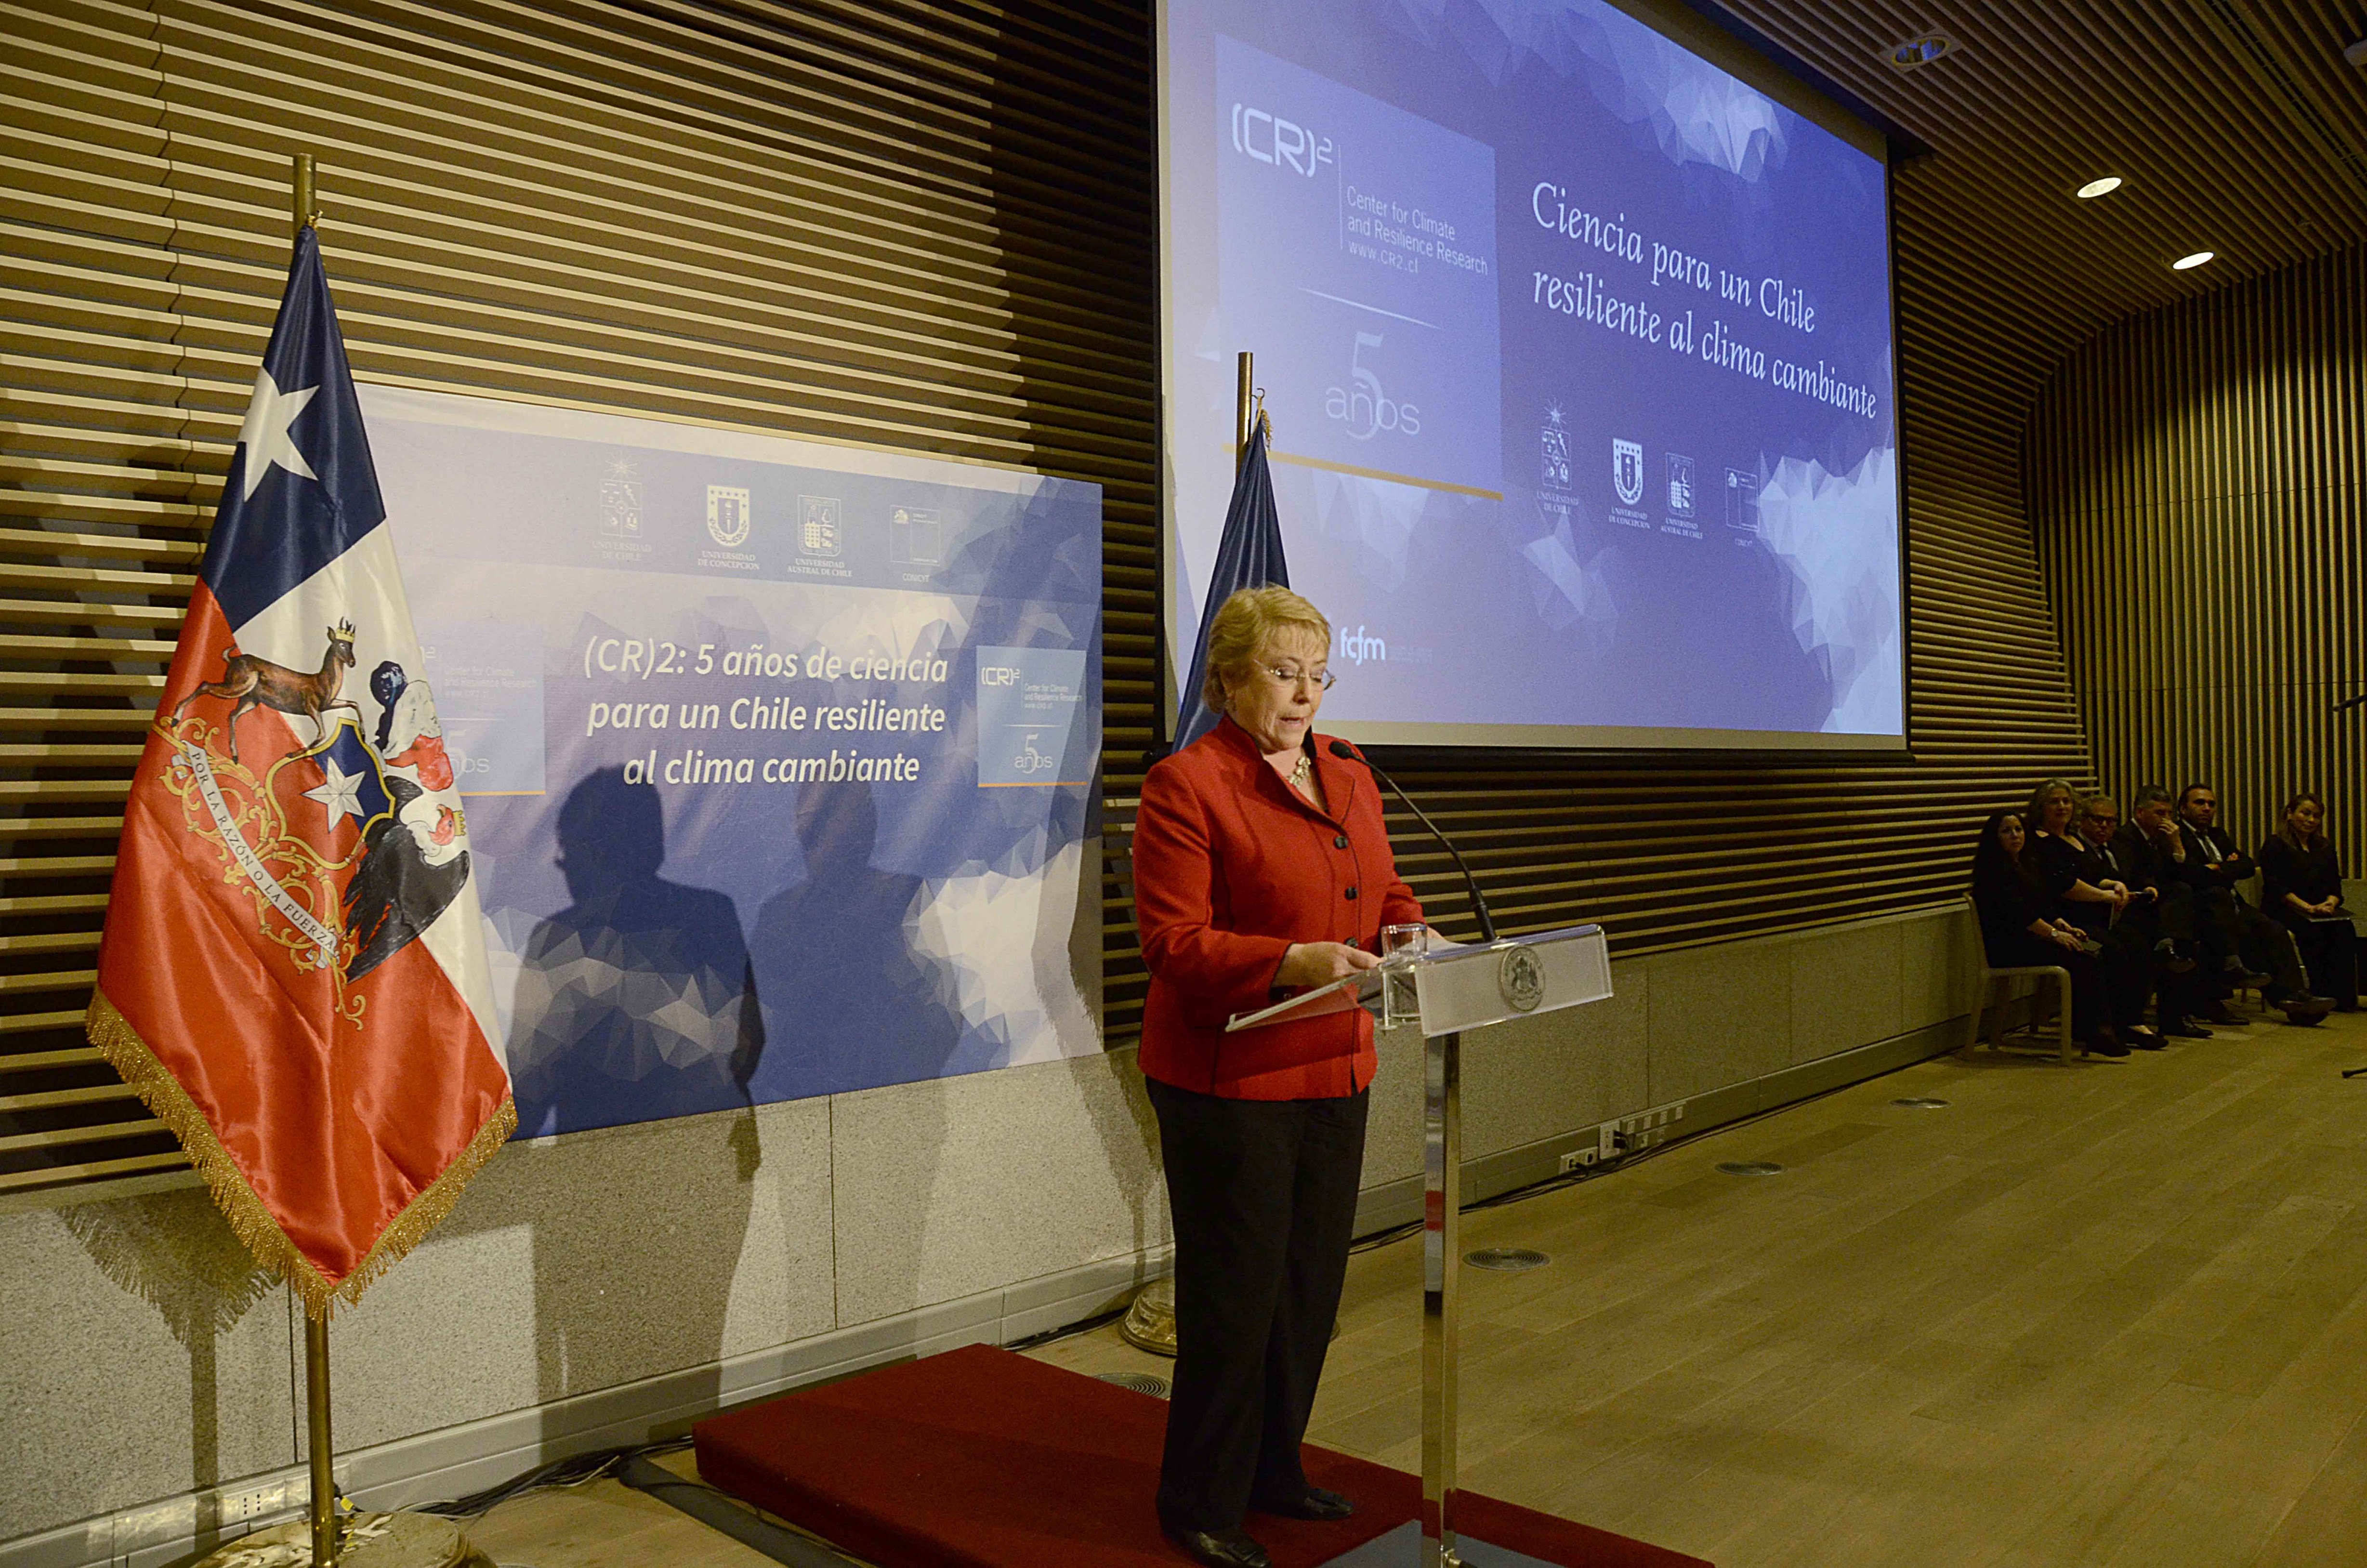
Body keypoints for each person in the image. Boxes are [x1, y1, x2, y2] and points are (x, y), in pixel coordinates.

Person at [1129, 586, 1423, 1568]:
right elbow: (1172, 942)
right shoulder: (1187, 784)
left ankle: (1272, 1468)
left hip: (1336, 1060)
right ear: (1227, 680)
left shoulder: (1348, 771)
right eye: (1282, 672)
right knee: (1235, 1298)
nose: (1305, 694)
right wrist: (1290, 960)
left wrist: (1410, 930)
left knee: (1306, 1289)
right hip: (1231, 1078)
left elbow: (1382, 887)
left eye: (1317, 675)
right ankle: (1200, 1501)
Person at [1969, 810, 2126, 1057]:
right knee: (2083, 958)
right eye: (2007, 831)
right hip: (2010, 946)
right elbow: (2019, 914)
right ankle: (2093, 1032)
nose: (2015, 836)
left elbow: (2041, 906)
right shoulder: (1994, 873)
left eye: (2019, 830)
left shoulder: (2027, 864)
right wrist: (2055, 935)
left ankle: (2096, 1029)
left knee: (2094, 949)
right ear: (1995, 838)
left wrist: (2063, 926)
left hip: (2034, 938)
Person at [2177, 783, 2328, 1022]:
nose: (2207, 808)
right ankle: (2287, 1000)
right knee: (2245, 935)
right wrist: (2226, 868)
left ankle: (2296, 995)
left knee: (2274, 929)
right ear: (2183, 809)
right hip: (2203, 909)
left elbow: (2247, 866)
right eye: (2200, 803)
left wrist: (2217, 868)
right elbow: (2192, 874)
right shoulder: (2177, 836)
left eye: (2211, 804)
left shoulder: (2218, 835)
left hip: (2234, 904)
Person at [2112, 785, 2212, 1038]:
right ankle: (2170, 1016)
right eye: (2159, 813)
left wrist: (2177, 845)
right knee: (2178, 928)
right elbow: (2134, 876)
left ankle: (2177, 1017)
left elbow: (2186, 876)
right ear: (2140, 813)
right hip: (2134, 908)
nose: (2166, 819)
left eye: (2168, 813)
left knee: (2185, 941)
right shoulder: (2125, 838)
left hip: (2163, 911)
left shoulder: (2164, 839)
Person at [2258, 791, 2357, 1011]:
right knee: (2311, 929)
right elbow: (2277, 888)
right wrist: (2308, 908)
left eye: (2316, 816)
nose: (2311, 820)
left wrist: (2330, 903)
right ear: (2290, 814)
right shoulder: (2275, 844)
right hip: (2285, 907)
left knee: (2344, 928)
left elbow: (2335, 885)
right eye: (2305, 813)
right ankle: (2317, 992)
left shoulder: (2324, 847)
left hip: (2320, 908)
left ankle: (2342, 997)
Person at [2023, 778, 2129, 929]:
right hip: (2067, 921)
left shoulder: (2074, 837)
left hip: (2096, 917)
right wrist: (2105, 896)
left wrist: (2115, 884)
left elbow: (2096, 874)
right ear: (2041, 808)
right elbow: (2064, 886)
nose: (2062, 807)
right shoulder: (2039, 841)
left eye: (2066, 801)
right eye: (2054, 802)